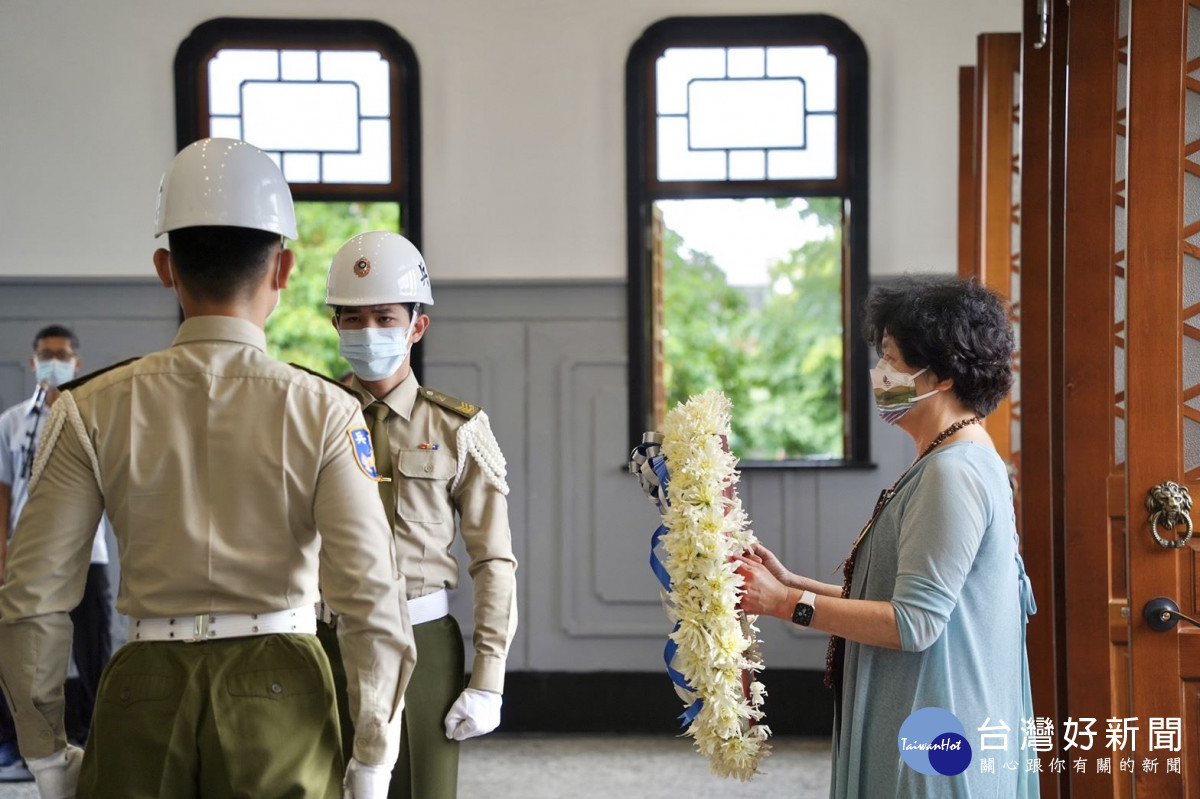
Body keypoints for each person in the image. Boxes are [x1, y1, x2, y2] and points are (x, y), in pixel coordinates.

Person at [0, 138, 416, 799]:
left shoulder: (89, 408)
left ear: (166, 267)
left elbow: (32, 599)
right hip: (283, 689)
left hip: (142, 687)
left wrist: (45, 754)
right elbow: (370, 596)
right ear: (283, 268)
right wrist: (372, 758)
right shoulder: (326, 409)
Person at [736, 276, 1038, 798]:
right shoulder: (956, 458)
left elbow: (914, 623)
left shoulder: (953, 472)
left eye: (893, 359)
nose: (880, 374)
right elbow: (910, 601)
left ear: (940, 374)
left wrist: (788, 603)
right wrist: (792, 583)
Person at [320, 230, 518, 799]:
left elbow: (494, 561)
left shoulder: (457, 430)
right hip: (325, 636)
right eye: (351, 318)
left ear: (416, 325)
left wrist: (489, 680)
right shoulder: (314, 418)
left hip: (422, 639)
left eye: (383, 316)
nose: (366, 331)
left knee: (419, 790)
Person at [0, 326, 115, 780]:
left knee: (95, 649)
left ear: (77, 362)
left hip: (91, 551)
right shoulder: (10, 422)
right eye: (46, 355)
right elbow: (3, 493)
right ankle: (15, 742)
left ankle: (98, 737)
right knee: (20, 650)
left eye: (62, 355)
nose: (54, 362)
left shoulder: (91, 414)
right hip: (28, 555)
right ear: (33, 362)